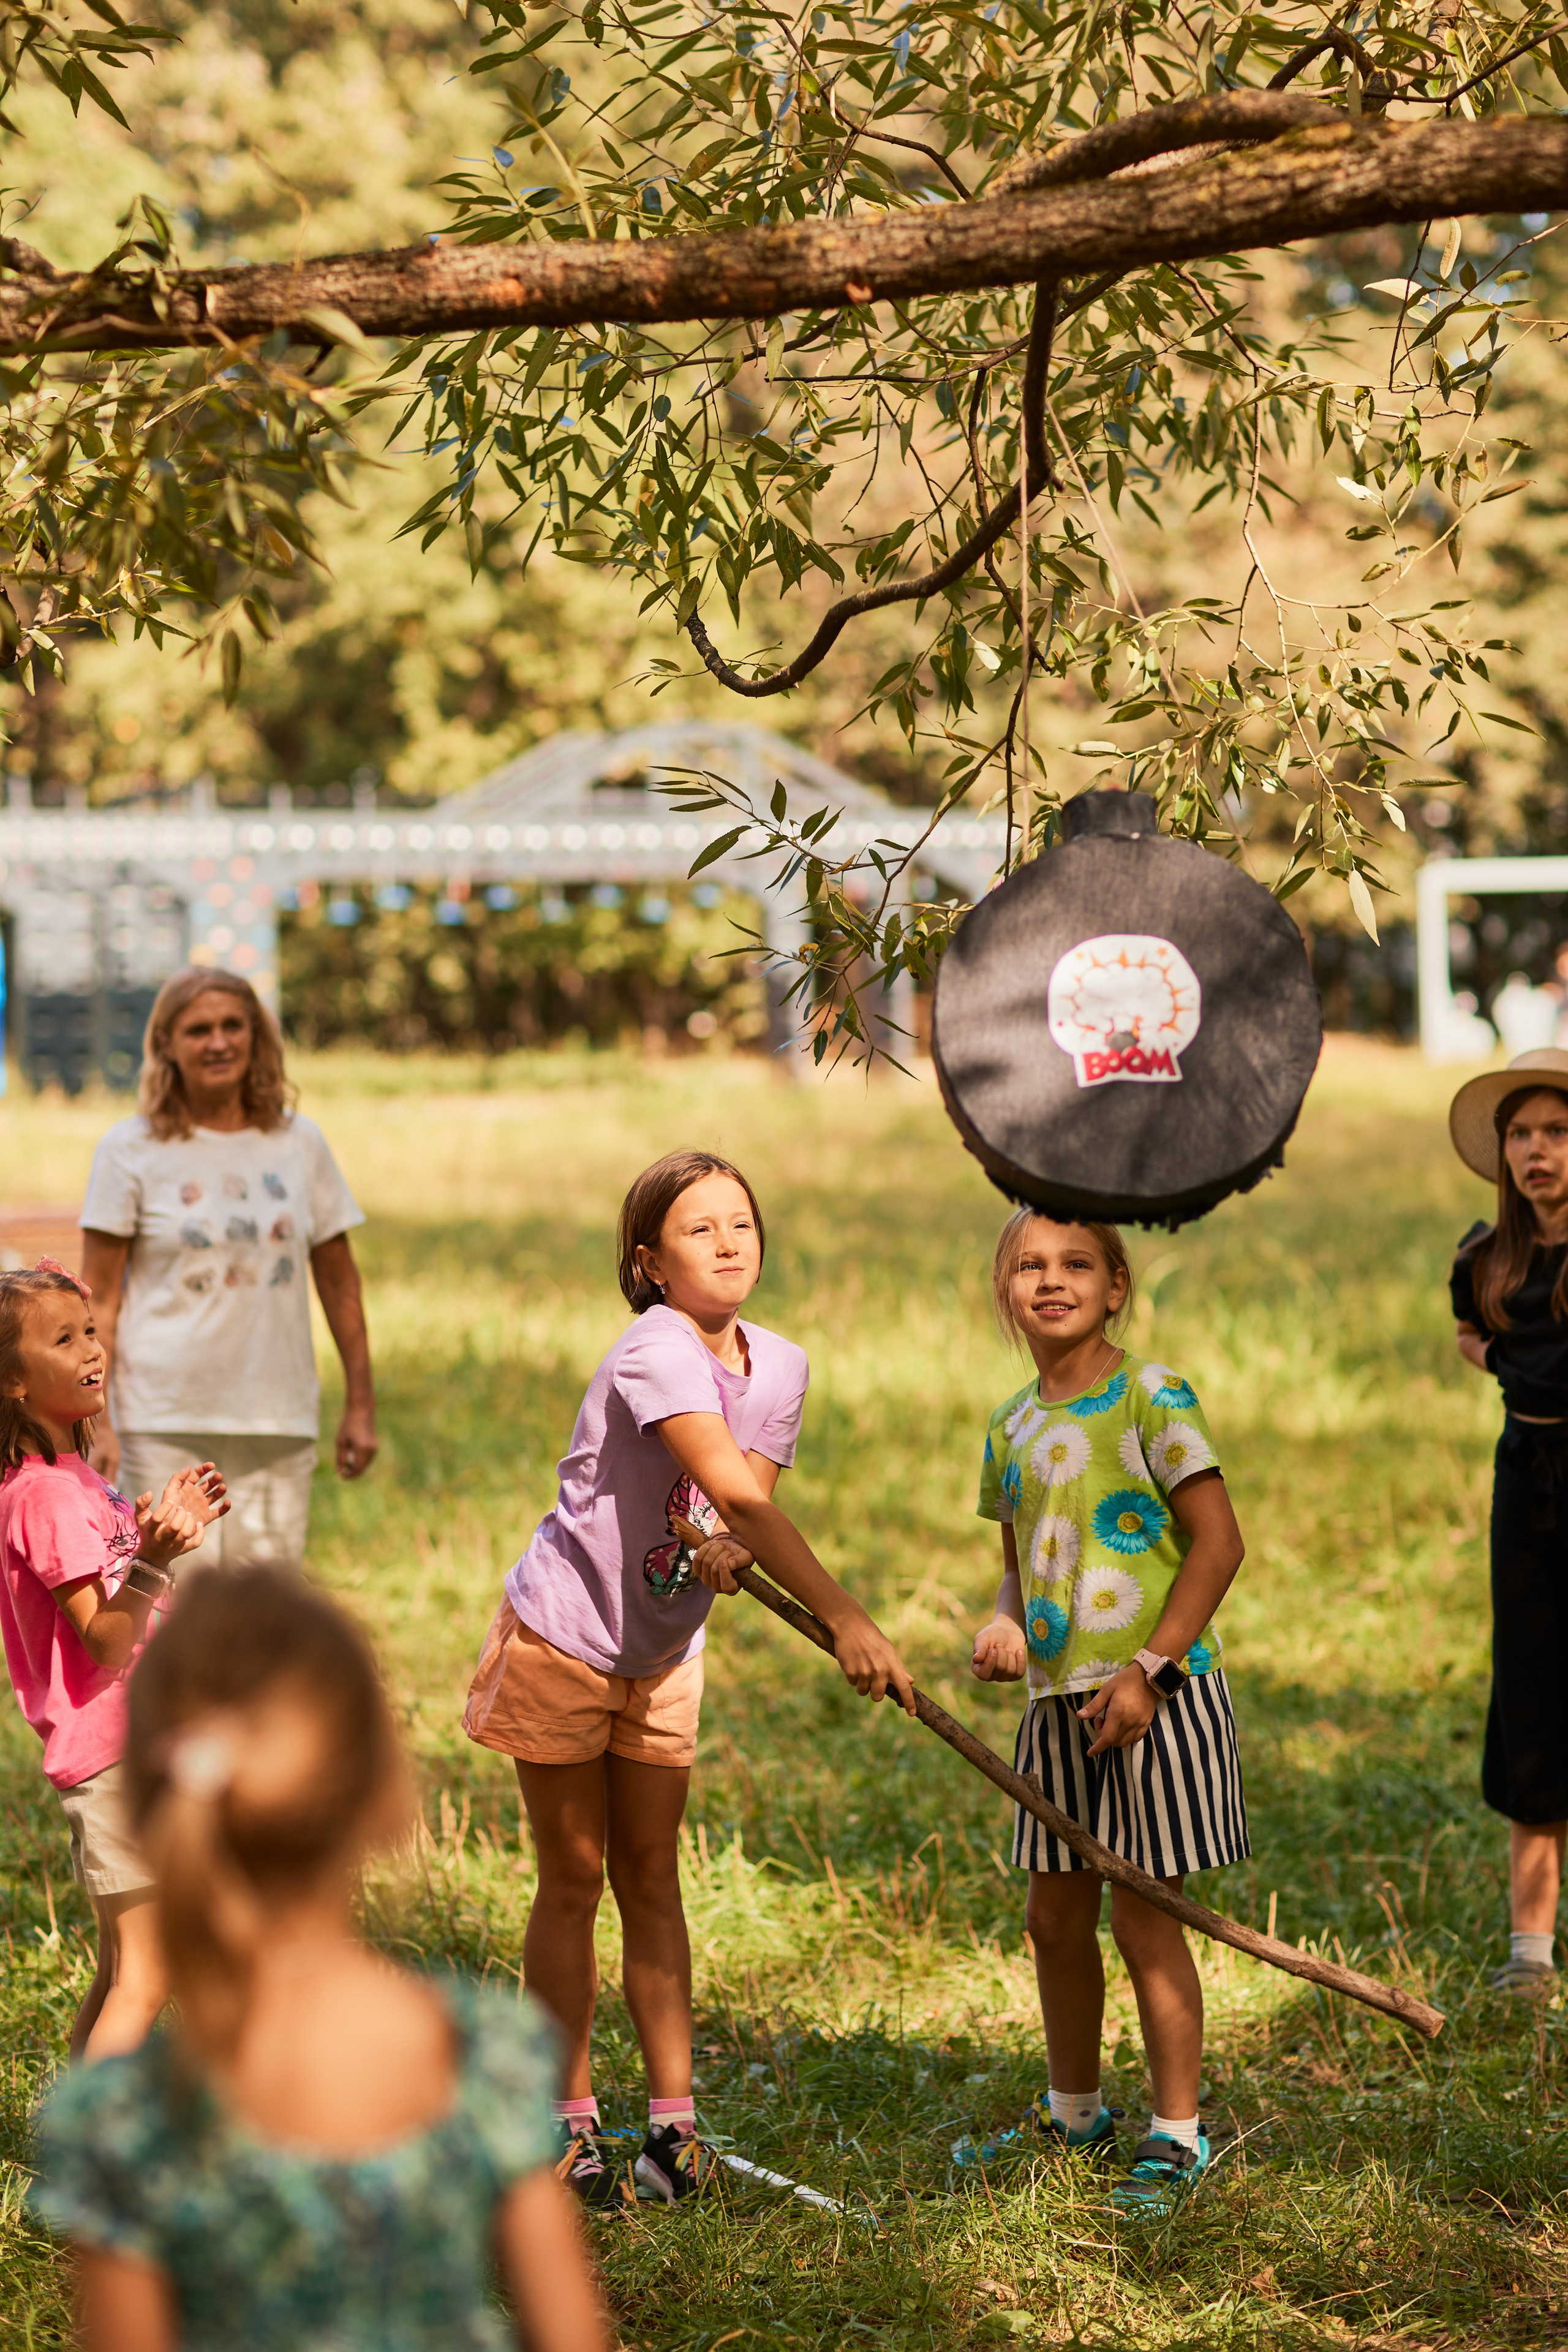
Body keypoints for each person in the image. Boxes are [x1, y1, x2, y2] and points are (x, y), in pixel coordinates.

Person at [463, 1148, 914, 2209]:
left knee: (653, 1879)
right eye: (699, 1228)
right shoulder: (653, 1350)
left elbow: (732, 1513)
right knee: (575, 1880)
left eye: (742, 1223)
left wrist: (728, 1550)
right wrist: (847, 1615)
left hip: (664, 1655)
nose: (728, 1242)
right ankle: (565, 2130)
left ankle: (675, 2133)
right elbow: (734, 1493)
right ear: (650, 1264)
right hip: (567, 1638)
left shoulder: (784, 1366)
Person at [30, 1566, 608, 2352]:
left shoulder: (119, 2115)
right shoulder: (488, 2052)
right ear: (380, 1799)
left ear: (143, 1804)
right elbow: (570, 2338)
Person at [961, 1210, 1248, 2210]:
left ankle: (1178, 2134)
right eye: (1029, 1266)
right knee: (1053, 1917)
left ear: (1117, 1285)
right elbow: (1017, 1570)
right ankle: (1076, 2109)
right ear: (1006, 1292)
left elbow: (1219, 1546)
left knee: (1145, 1920)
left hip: (1156, 1698)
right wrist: (1004, 1630)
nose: (1051, 1280)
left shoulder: (1150, 1396)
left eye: (1076, 1263)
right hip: (1057, 1708)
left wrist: (1150, 1672)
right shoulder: (1010, 1425)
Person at [78, 966, 376, 1571]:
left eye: (233, 1025)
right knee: (171, 1616)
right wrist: (97, 1423)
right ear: (166, 1044)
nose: (218, 1041)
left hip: (275, 1416)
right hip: (162, 1417)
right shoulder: (129, 1149)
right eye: (198, 1029)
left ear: (257, 1038)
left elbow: (340, 1279)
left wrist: (361, 1405)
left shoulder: (300, 1143)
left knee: (263, 1619)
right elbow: (98, 1303)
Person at [0, 1262, 225, 2059]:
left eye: (89, 1330)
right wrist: (157, 1559)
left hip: (124, 1743)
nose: (91, 1349)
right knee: (148, 1974)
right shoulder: (45, 1498)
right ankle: (99, 2163)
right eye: (63, 1340)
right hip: (111, 1753)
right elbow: (105, 1640)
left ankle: (76, 2134)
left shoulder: (74, 1481)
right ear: (15, 1384)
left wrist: (155, 1524)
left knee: (122, 1966)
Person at [1448, 1046, 1568, 1996]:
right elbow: (1467, 1333)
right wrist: (1498, 1362)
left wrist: (1515, 1364)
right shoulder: (1487, 1257)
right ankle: (1530, 1953)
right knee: (1530, 1688)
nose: (1539, 1151)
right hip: (1525, 1481)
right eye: (1522, 1134)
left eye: (1558, 1132)